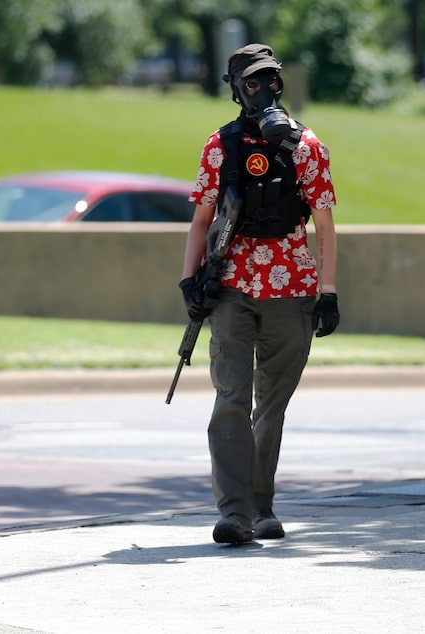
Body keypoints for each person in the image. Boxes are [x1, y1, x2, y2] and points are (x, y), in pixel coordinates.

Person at [179, 43, 340, 544]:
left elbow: (326, 225)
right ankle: (233, 513)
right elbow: (202, 221)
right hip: (231, 288)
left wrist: (328, 291)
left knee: (271, 403)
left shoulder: (307, 147)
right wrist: (190, 280)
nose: (263, 89)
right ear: (235, 90)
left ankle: (260, 506)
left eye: (270, 79)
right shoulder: (220, 146)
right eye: (251, 81)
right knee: (232, 396)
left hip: (293, 289)